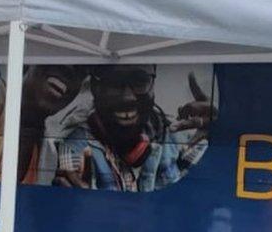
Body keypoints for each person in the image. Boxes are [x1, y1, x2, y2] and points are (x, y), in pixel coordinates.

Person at [51, 65, 216, 191]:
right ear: (95, 88)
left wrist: (222, 134)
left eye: (140, 81)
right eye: (114, 82)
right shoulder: (73, 149)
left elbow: (209, 193)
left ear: (153, 85)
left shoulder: (178, 139)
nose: (127, 96)